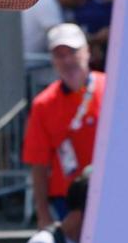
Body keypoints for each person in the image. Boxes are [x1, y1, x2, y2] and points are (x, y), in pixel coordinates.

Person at [23, 23, 104, 227]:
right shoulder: (43, 104)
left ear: (87, 52)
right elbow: (38, 163)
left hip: (110, 191)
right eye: (59, 55)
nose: (67, 60)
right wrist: (43, 214)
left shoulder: (111, 88)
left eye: (73, 52)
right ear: (52, 60)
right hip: (68, 200)